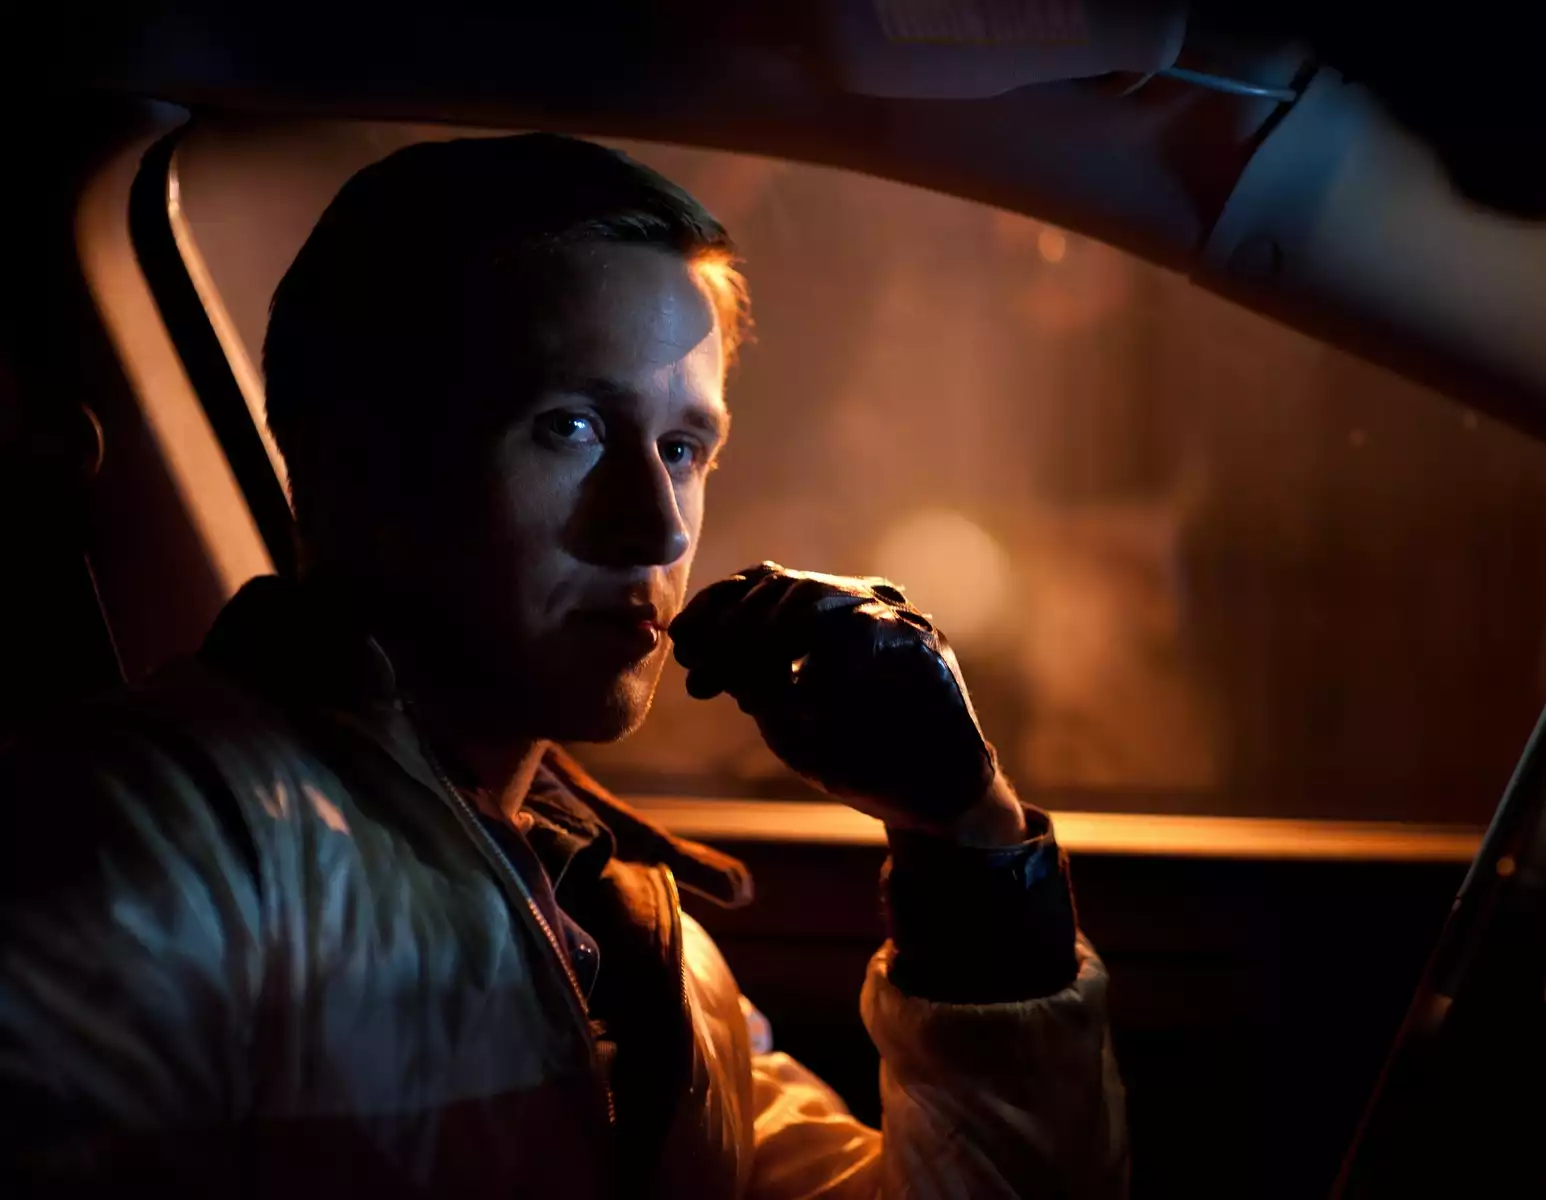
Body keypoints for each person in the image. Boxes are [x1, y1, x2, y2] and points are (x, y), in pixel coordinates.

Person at [0, 134, 1126, 1197]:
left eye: (682, 448)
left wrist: (967, 841)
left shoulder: (645, 943)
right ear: (354, 458)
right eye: (570, 427)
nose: (660, 528)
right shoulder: (140, 844)